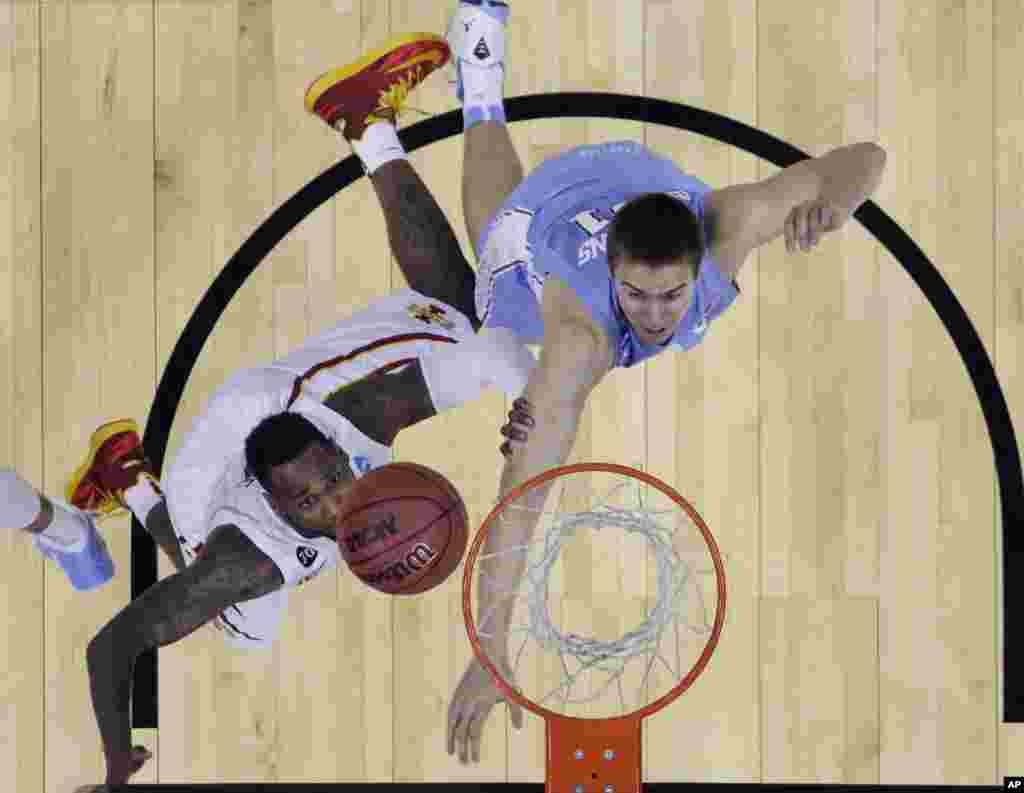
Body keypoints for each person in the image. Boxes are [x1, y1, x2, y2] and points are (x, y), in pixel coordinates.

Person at [5, 32, 541, 789]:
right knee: (244, 630)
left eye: (331, 480)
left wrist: (526, 404)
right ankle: (125, 474)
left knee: (468, 317)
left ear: (341, 452)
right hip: (222, 498)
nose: (342, 500)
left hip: (235, 457)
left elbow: (500, 355)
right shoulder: (252, 557)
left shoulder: (355, 423)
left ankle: (363, 123)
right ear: (272, 498)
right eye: (317, 496)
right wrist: (117, 758)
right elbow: (115, 647)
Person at [436, 0, 889, 765]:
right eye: (636, 296)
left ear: (695, 273)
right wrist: (490, 640)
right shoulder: (580, 340)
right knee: (492, 271)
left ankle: (483, 82)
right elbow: (522, 491)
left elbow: (865, 156)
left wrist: (837, 201)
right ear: (612, 272)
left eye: (670, 297)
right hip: (551, 214)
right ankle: (479, 83)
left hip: (637, 181)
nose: (651, 316)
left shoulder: (730, 226)